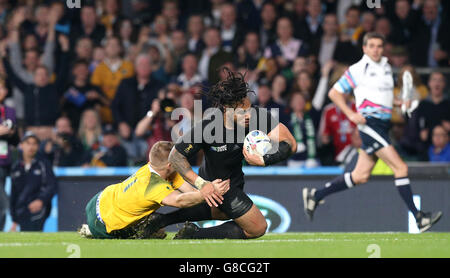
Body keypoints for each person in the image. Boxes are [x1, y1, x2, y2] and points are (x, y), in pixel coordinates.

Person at [302, 32, 442, 233]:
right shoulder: (358, 69)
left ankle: (315, 196)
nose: (376, 49)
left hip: (382, 125)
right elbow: (334, 93)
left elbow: (381, 96)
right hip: (370, 125)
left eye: (379, 46)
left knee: (360, 176)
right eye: (372, 46)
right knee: (401, 168)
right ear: (364, 48)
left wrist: (399, 103)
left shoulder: (385, 67)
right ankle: (419, 218)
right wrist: (351, 114)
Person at [144, 68, 297, 240]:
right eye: (241, 111)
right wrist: (202, 184)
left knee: (221, 213)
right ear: (226, 109)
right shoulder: (208, 127)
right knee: (258, 228)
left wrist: (264, 159)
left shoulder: (257, 116)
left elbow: (290, 143)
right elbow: (175, 156)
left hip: (234, 181)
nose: (248, 115)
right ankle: (194, 235)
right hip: (217, 184)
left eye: (249, 108)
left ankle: (161, 220)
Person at [80, 141, 230, 239]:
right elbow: (180, 200)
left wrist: (206, 188)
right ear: (170, 165)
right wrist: (207, 193)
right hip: (101, 222)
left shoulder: (155, 166)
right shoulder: (153, 185)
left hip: (99, 199)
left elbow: (189, 191)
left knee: (155, 227)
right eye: (177, 158)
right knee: (156, 233)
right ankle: (91, 231)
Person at [9, 132, 57, 232]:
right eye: (28, 143)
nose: (31, 147)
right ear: (21, 145)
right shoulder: (16, 167)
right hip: (22, 211)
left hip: (39, 209)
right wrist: (14, 219)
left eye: (34, 143)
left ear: (38, 146)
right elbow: (14, 193)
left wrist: (41, 200)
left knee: (35, 233)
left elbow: (51, 185)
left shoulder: (43, 164)